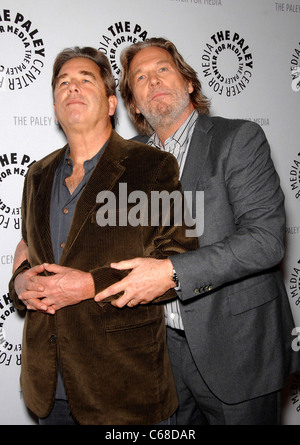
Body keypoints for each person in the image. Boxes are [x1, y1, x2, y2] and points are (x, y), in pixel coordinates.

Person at [94, 37, 300, 425]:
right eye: (139, 77)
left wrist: (171, 273)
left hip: (240, 349)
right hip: (163, 356)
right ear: (133, 103)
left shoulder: (238, 138)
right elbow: (101, 233)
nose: (152, 80)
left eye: (162, 69)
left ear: (188, 82)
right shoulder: (126, 163)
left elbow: (265, 240)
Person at [9, 46, 198, 425]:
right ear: (55, 103)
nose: (72, 88)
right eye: (63, 82)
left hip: (124, 389)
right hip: (49, 387)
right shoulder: (37, 174)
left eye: (85, 80)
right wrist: (20, 281)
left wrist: (91, 285)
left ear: (112, 103)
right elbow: (30, 249)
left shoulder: (150, 167)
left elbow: (179, 262)